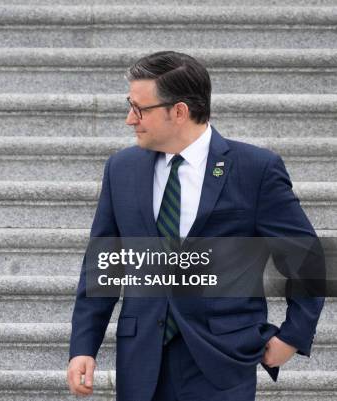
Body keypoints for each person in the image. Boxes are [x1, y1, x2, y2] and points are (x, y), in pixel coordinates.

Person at [67, 51, 324, 401]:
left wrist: (292, 336)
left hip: (222, 360)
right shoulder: (121, 169)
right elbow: (103, 264)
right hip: (142, 362)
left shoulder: (254, 169)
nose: (130, 119)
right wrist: (84, 347)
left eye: (140, 108)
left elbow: (305, 257)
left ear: (179, 111)